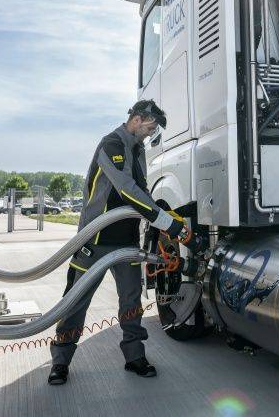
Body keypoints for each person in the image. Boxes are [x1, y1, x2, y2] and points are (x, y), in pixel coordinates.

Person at [48, 100, 190, 385]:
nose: (151, 134)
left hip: (126, 241)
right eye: (150, 127)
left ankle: (135, 357)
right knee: (76, 302)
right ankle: (60, 362)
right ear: (137, 119)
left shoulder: (138, 150)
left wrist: (164, 216)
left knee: (131, 301)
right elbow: (127, 191)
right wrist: (166, 223)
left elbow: (142, 191)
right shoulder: (111, 144)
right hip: (96, 239)